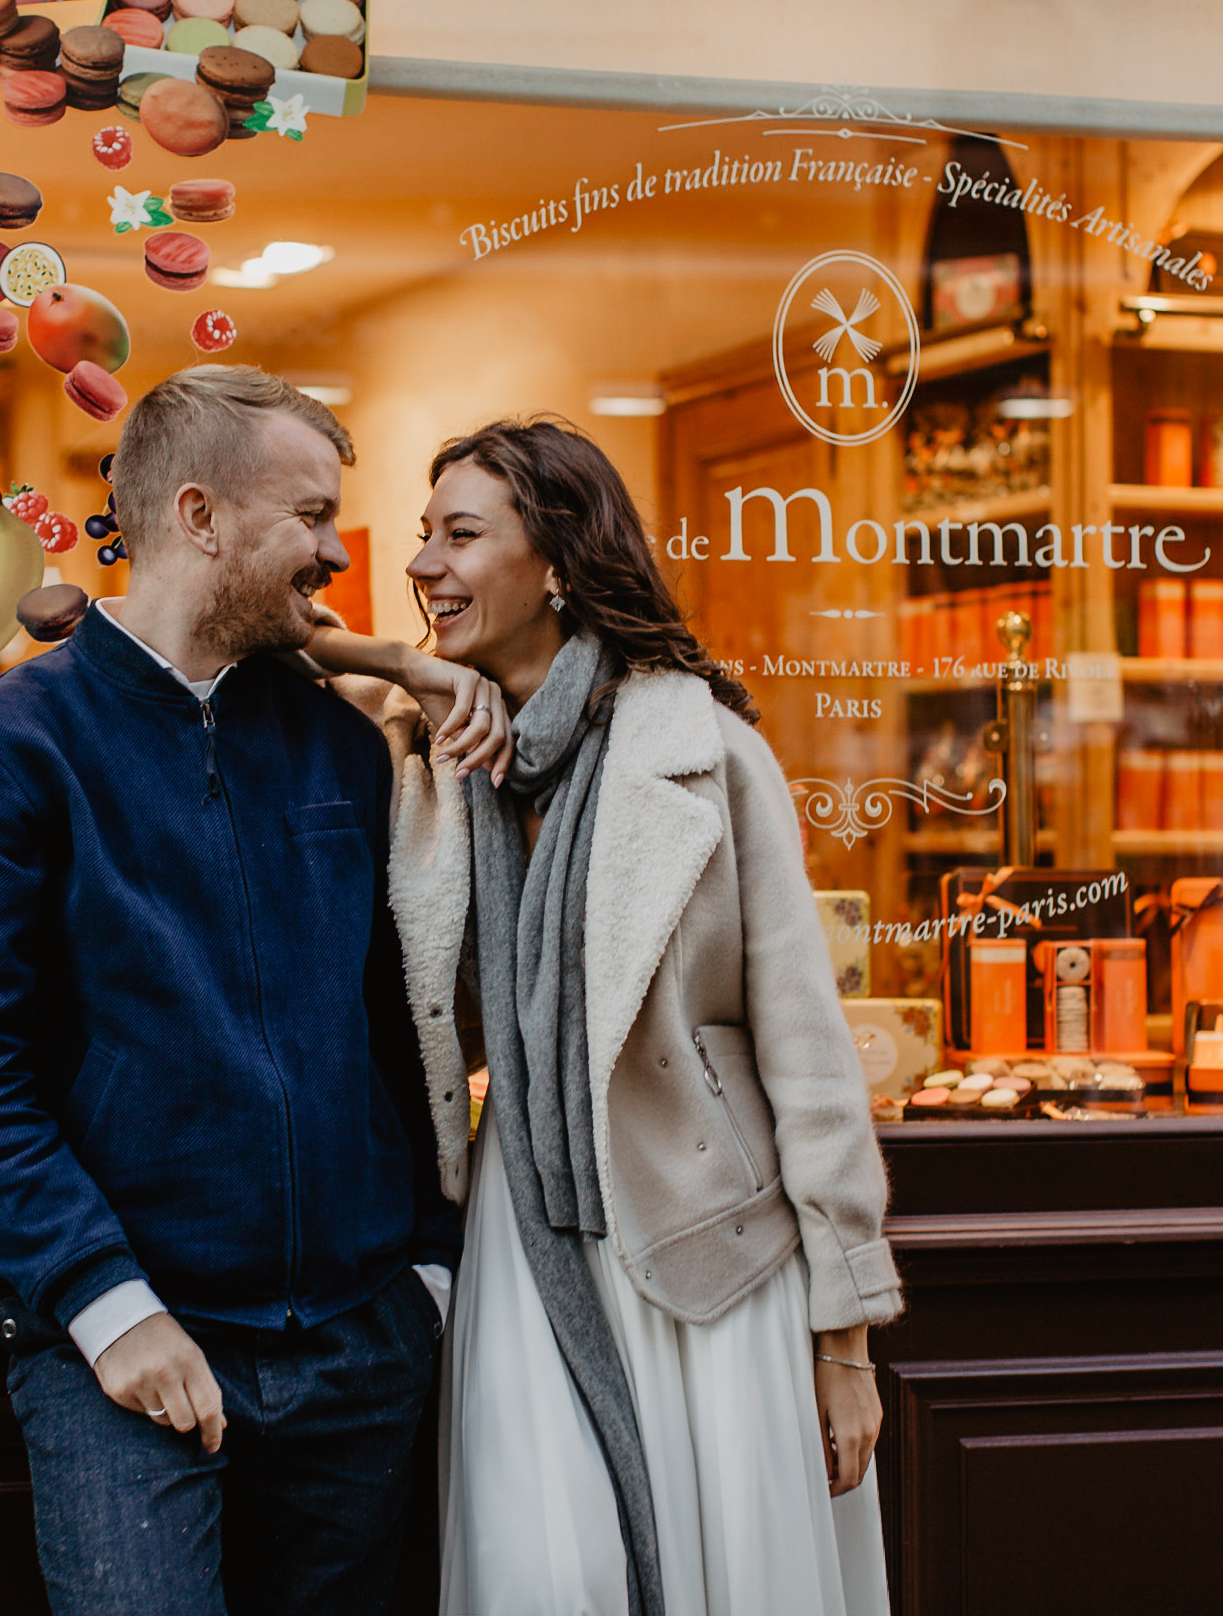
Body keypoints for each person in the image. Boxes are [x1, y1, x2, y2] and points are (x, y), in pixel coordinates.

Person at [0, 366, 499, 1614]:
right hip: (130, 1351)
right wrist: (109, 1310)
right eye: (312, 516)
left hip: (362, 1346)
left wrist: (428, 1280)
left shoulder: (343, 745)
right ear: (199, 516)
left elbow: (399, 1035)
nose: (340, 551)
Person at [303, 416, 903, 1616]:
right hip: (521, 1239)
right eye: (424, 534)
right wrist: (409, 666)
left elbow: (805, 1048)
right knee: (541, 1578)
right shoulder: (427, 754)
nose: (421, 564)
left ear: (559, 563)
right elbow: (258, 627)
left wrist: (845, 1340)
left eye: (460, 535)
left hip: (703, 1239)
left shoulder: (705, 754)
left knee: (724, 1581)